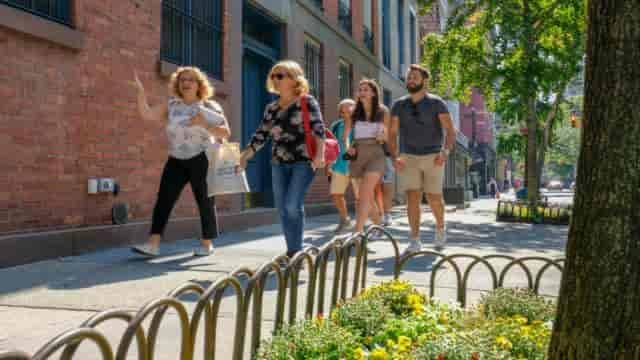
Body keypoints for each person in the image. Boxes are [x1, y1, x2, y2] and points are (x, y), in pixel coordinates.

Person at [131, 66, 231, 257]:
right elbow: (148, 115)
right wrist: (140, 94)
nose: (185, 83)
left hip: (201, 158)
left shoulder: (209, 106)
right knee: (164, 200)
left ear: (199, 84)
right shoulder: (172, 105)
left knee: (204, 201)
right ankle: (153, 244)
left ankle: (207, 244)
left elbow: (226, 132)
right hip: (176, 158)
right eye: (182, 80)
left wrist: (204, 124)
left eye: (190, 80)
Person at [236, 60, 326, 259]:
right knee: (283, 209)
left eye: (280, 75)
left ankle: (297, 249)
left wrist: (320, 155)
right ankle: (293, 251)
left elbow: (319, 129)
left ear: (294, 80)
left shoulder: (307, 101)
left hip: (303, 161)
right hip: (278, 162)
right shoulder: (271, 108)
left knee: (292, 205)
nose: (275, 79)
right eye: (273, 76)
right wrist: (244, 157)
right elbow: (261, 135)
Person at [389, 64, 456, 253]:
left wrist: (445, 152)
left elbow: (450, 130)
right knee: (412, 197)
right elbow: (392, 133)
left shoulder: (436, 103)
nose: (410, 80)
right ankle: (415, 239)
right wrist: (394, 156)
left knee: (434, 198)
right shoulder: (399, 105)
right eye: (409, 77)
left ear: (424, 81)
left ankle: (441, 228)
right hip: (408, 156)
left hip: (434, 156)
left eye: (414, 77)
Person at [343, 79, 390, 236]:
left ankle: (358, 231)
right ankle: (378, 225)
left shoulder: (382, 111)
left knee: (365, 193)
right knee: (366, 197)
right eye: (360, 89)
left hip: (376, 154)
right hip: (358, 154)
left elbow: (386, 133)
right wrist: (348, 146)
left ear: (373, 92)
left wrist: (382, 135)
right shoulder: (353, 111)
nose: (362, 92)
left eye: (366, 89)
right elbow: (347, 134)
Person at [328, 99, 359, 233]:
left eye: (349, 110)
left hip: (357, 166)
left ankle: (360, 226)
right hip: (339, 165)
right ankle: (344, 218)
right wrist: (328, 165)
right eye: (343, 111)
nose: (345, 113)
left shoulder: (361, 126)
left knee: (360, 198)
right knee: (336, 194)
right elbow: (329, 146)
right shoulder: (336, 126)